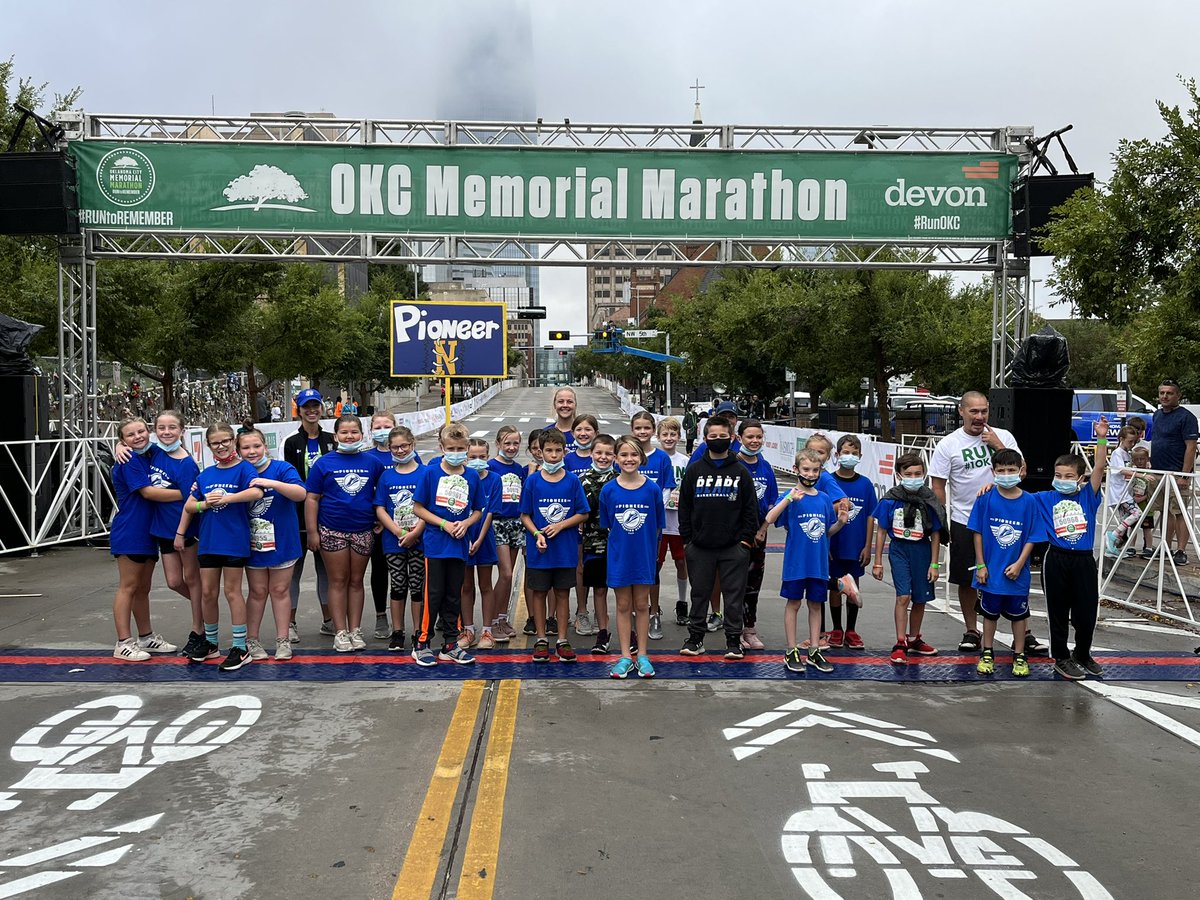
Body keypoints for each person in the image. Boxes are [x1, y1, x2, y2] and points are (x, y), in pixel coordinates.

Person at [929, 390, 1035, 654]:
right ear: (961, 412)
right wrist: (940, 523)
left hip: (1007, 519)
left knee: (1013, 574)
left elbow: (1023, 471)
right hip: (965, 519)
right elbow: (938, 486)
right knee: (969, 579)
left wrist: (999, 445)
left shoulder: (1004, 437)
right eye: (973, 411)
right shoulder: (948, 445)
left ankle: (1025, 632)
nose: (979, 417)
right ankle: (971, 630)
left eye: (984, 411)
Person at [175, 422, 265, 672]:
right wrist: (205, 504)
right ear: (209, 446)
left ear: (233, 441)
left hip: (234, 541)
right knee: (207, 592)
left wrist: (227, 498)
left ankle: (240, 646)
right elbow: (190, 506)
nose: (222, 446)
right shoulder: (205, 475)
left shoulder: (244, 469)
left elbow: (256, 493)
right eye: (216, 443)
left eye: (226, 440)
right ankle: (211, 642)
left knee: (232, 592)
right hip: (209, 542)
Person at [113, 410, 200, 656]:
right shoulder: (128, 459)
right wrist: (188, 494)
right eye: (130, 435)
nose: (137, 437)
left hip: (151, 529)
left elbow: (176, 454)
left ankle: (146, 636)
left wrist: (120, 443)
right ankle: (123, 642)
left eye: (141, 431)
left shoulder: (150, 453)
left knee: (142, 589)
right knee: (128, 587)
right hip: (132, 529)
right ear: (123, 439)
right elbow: (149, 493)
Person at [1033, 418, 1110, 679]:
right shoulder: (1045, 498)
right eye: (1058, 475)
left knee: (1086, 612)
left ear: (1079, 478)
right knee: (1057, 611)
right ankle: (1061, 656)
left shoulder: (1088, 496)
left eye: (1068, 476)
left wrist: (1101, 437)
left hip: (1083, 560)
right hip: (1056, 558)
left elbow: (1100, 466)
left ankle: (1082, 653)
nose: (1062, 480)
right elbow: (1014, 496)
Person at [677, 416, 758, 660]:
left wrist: (745, 542)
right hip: (700, 547)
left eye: (723, 436)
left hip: (734, 547)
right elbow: (685, 507)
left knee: (733, 596)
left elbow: (750, 510)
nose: (718, 440)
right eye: (713, 437)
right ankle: (695, 638)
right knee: (699, 593)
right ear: (705, 439)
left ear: (732, 438)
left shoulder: (741, 472)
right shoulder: (694, 471)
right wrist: (688, 541)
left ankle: (734, 640)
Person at [304, 414, 385, 653]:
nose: (350, 436)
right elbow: (312, 498)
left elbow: (382, 493)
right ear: (336, 435)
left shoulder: (372, 463)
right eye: (344, 433)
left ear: (362, 434)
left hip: (363, 529)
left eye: (354, 432)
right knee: (338, 580)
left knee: (357, 581)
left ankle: (355, 630)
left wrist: (380, 518)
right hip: (332, 529)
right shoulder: (323, 463)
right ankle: (340, 632)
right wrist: (312, 532)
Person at [765, 449, 849, 673]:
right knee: (793, 603)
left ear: (821, 471)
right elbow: (770, 518)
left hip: (818, 564)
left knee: (815, 605)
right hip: (796, 563)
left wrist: (840, 523)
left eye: (815, 470)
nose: (810, 474)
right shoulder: (791, 496)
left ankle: (814, 649)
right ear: (796, 470)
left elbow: (825, 532)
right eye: (806, 469)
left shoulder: (823, 499)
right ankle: (791, 650)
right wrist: (788, 499)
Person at [410, 422, 485, 666]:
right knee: (433, 594)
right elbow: (418, 507)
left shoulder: (472, 475)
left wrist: (466, 523)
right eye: (450, 448)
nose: (455, 453)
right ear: (441, 447)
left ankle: (451, 644)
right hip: (436, 545)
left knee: (455, 594)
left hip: (459, 546)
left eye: (460, 448)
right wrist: (443, 524)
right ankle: (422, 642)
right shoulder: (431, 473)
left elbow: (478, 510)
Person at [520, 428, 590, 663]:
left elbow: (583, 513)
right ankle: (541, 639)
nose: (552, 455)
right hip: (540, 551)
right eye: (548, 450)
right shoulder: (533, 481)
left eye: (557, 451)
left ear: (564, 452)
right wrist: (537, 533)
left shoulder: (571, 480)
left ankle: (561, 639)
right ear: (540, 452)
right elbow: (525, 515)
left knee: (562, 594)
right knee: (539, 593)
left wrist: (561, 525)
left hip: (565, 550)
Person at [237, 428, 306, 662]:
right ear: (238, 451)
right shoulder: (238, 472)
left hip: (283, 541)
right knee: (256, 592)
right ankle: (252, 640)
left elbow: (300, 493)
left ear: (265, 446)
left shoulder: (282, 469)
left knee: (279, 590)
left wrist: (271, 483)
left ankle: (283, 639)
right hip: (252, 543)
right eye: (245, 448)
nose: (252, 451)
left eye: (256, 446)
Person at [872, 452, 946, 666]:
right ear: (898, 475)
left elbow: (935, 533)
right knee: (903, 596)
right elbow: (881, 531)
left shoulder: (929, 499)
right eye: (909, 474)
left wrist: (934, 563)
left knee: (920, 598)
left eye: (918, 474)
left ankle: (915, 638)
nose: (914, 477)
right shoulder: (890, 500)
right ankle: (900, 641)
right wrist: (878, 561)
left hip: (922, 551)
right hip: (899, 551)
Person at [601, 435, 666, 678]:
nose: (629, 459)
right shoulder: (608, 490)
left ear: (642, 458)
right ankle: (625, 656)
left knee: (642, 605)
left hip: (644, 558)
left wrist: (650, 553)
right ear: (616, 459)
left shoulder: (652, 489)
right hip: (620, 557)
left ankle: (642, 655)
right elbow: (608, 524)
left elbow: (658, 526)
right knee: (623, 605)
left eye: (634, 455)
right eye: (624, 455)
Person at [968, 449, 1037, 678]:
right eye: (1001, 470)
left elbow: (1032, 537)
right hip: (991, 572)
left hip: (1017, 574)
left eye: (1011, 470)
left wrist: (1019, 563)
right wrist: (981, 565)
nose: (1006, 474)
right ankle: (987, 652)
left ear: (1021, 470)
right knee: (989, 614)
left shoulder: (1029, 501)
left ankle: (1019, 655)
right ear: (993, 472)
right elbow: (976, 532)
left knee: (1019, 616)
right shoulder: (985, 498)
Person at [283, 388, 333, 641]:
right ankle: (289, 623)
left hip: (329, 516)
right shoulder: (292, 443)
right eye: (306, 407)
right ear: (299, 410)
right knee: (294, 571)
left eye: (315, 406)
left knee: (327, 571)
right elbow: (292, 481)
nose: (311, 411)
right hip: (298, 517)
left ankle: (329, 620)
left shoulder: (332, 439)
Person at [373, 425, 426, 652]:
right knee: (397, 584)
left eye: (404, 445)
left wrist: (416, 532)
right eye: (395, 447)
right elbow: (380, 508)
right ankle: (397, 631)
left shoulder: (425, 473)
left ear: (412, 444)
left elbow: (430, 507)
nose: (401, 450)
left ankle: (418, 631)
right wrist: (397, 531)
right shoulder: (387, 476)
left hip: (419, 539)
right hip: (393, 540)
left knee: (416, 585)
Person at [630, 410, 677, 639]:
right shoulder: (627, 455)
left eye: (646, 428)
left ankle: (653, 611)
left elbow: (667, 488)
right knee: (630, 570)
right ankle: (633, 609)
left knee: (652, 569)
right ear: (632, 430)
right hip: (629, 524)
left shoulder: (661, 458)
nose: (642, 432)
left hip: (652, 526)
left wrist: (656, 509)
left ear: (653, 430)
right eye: (638, 428)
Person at [828, 434, 876, 650]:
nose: (850, 456)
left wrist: (868, 546)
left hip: (856, 546)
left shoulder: (865, 484)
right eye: (846, 453)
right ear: (837, 455)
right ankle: (837, 628)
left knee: (854, 588)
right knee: (836, 587)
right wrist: (825, 544)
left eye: (854, 454)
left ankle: (851, 630)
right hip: (834, 544)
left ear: (860, 456)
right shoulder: (829, 481)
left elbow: (869, 516)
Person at [734, 419, 777, 651]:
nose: (754, 441)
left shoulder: (766, 467)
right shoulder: (733, 464)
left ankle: (750, 629)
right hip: (736, 535)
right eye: (749, 437)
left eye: (758, 437)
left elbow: (772, 503)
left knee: (753, 585)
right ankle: (734, 630)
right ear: (739, 438)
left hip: (759, 535)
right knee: (735, 585)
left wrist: (763, 530)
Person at [365, 411, 405, 640]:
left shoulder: (407, 454)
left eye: (387, 426)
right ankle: (381, 615)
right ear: (371, 430)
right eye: (377, 426)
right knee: (380, 570)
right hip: (378, 526)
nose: (382, 430)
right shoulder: (367, 457)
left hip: (406, 527)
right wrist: (377, 519)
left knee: (407, 574)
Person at [1150, 379, 1198, 565]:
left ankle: (1181, 550)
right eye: (1162, 393)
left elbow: (1191, 447)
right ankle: (1165, 546)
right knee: (1164, 511)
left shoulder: (1186, 418)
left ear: (1177, 395)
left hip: (1177, 473)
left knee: (1179, 512)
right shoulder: (1157, 415)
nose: (1165, 396)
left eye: (1169, 393)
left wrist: (1184, 475)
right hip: (1158, 472)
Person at [579, 433, 619, 654]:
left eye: (608, 453)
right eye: (599, 453)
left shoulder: (621, 478)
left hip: (619, 545)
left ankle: (629, 633)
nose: (603, 457)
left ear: (614, 456)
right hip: (594, 545)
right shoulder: (582, 481)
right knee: (600, 591)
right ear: (591, 453)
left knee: (625, 591)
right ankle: (602, 632)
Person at [461, 439, 501, 648]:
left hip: (483, 540)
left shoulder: (494, 479)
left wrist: (477, 540)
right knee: (466, 586)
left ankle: (488, 631)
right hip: (462, 538)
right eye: (472, 457)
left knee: (485, 585)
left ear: (488, 456)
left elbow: (490, 512)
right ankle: (468, 629)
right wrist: (467, 539)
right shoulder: (461, 478)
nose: (477, 461)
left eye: (482, 457)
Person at [487, 425, 525, 643]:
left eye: (515, 443)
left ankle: (502, 617)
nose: (511, 447)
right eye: (507, 443)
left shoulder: (519, 469)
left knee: (507, 576)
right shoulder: (491, 467)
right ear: (498, 444)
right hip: (498, 523)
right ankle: (491, 621)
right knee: (507, 573)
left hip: (515, 524)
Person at [655, 418, 691, 628]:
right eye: (665, 435)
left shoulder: (684, 461)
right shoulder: (655, 459)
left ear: (679, 437)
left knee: (681, 562)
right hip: (660, 522)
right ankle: (653, 606)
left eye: (673, 434)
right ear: (658, 437)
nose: (669, 438)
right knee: (656, 564)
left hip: (679, 521)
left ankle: (682, 602)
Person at [1104, 426, 1144, 558]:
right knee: (1137, 513)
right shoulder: (1117, 453)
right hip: (1120, 492)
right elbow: (1121, 470)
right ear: (1122, 439)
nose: (1132, 444)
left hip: (1125, 491)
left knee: (1124, 519)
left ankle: (1112, 547)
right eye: (1130, 441)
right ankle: (1114, 535)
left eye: (1134, 442)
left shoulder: (1126, 453)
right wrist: (1141, 475)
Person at [1128, 445, 1162, 558]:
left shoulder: (1150, 474)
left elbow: (1152, 492)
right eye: (1136, 459)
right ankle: (1131, 546)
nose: (1139, 461)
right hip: (1134, 507)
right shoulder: (1133, 472)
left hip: (1146, 507)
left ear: (1147, 459)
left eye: (1142, 459)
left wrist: (1142, 498)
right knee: (1133, 527)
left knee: (1147, 528)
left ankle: (1148, 547)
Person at [547, 387, 579, 451]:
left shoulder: (584, 433)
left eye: (569, 402)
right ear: (554, 404)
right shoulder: (546, 433)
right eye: (561, 401)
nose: (565, 405)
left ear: (575, 405)